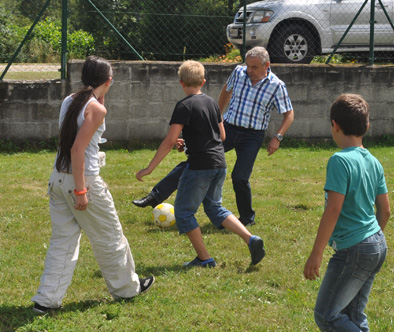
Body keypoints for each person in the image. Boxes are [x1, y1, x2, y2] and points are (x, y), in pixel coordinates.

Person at [32, 56, 154, 315]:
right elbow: (78, 149)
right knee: (110, 237)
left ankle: (45, 301)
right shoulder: (96, 109)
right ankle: (127, 289)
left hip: (57, 179)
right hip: (81, 181)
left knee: (62, 243)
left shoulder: (71, 100)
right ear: (108, 81)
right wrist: (81, 191)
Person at [132, 46, 294, 227]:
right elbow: (226, 90)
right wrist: (217, 118)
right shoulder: (239, 72)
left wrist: (278, 137)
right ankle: (156, 196)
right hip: (229, 128)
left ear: (267, 65)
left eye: (254, 67)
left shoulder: (277, 85)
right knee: (194, 160)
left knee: (240, 177)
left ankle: (247, 218)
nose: (249, 70)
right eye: (248, 65)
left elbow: (289, 114)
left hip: (252, 136)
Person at [135, 60, 265, 268]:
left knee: (184, 213)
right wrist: (188, 142)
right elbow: (222, 136)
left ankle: (205, 259)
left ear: (181, 83)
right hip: (219, 162)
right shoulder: (213, 103)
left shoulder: (183, 106)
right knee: (214, 207)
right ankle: (251, 239)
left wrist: (149, 169)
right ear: (203, 81)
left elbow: (169, 141)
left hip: (199, 166)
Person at [303, 94, 390, 331]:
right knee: (353, 313)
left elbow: (333, 209)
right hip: (377, 244)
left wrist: (316, 253)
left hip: (355, 250)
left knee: (327, 315)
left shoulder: (340, 161)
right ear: (367, 125)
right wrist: (372, 240)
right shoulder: (374, 161)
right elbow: (385, 210)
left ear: (334, 125)